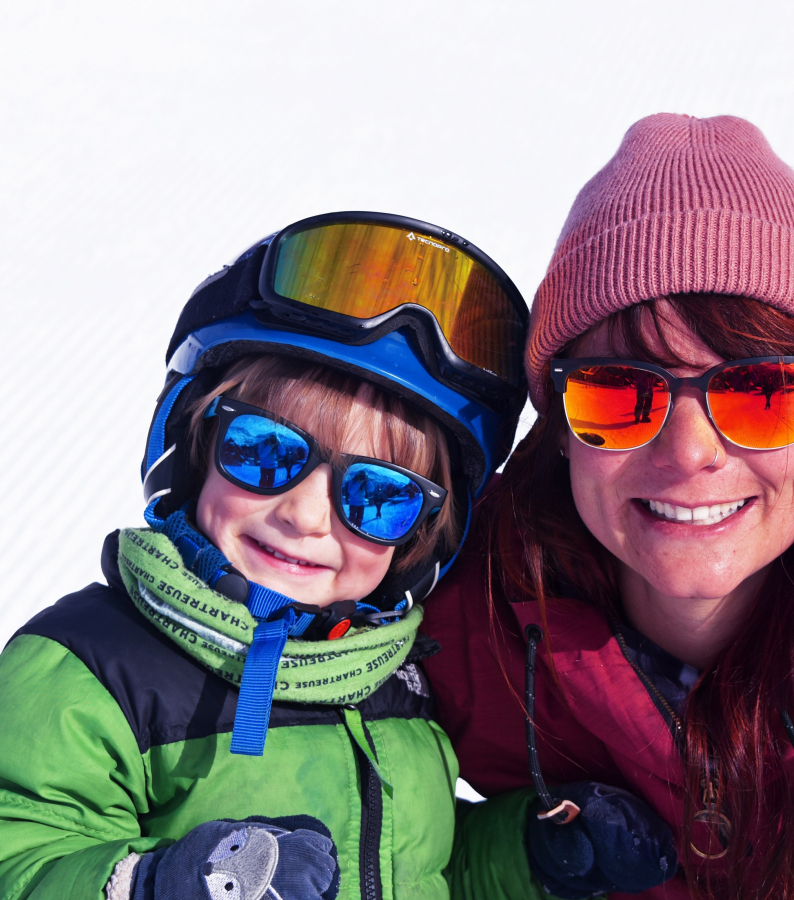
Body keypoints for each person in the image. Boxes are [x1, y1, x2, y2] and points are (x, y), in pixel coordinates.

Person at [422, 114, 794, 900]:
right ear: (557, 429)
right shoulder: (457, 629)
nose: (690, 452)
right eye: (619, 391)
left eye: (761, 392)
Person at [0, 212, 535, 900]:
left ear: (422, 538)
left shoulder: (391, 682)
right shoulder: (88, 672)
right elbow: (20, 853)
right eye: (264, 452)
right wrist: (152, 885)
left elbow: (414, 868)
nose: (303, 515)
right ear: (191, 447)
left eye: (377, 496)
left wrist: (531, 857)